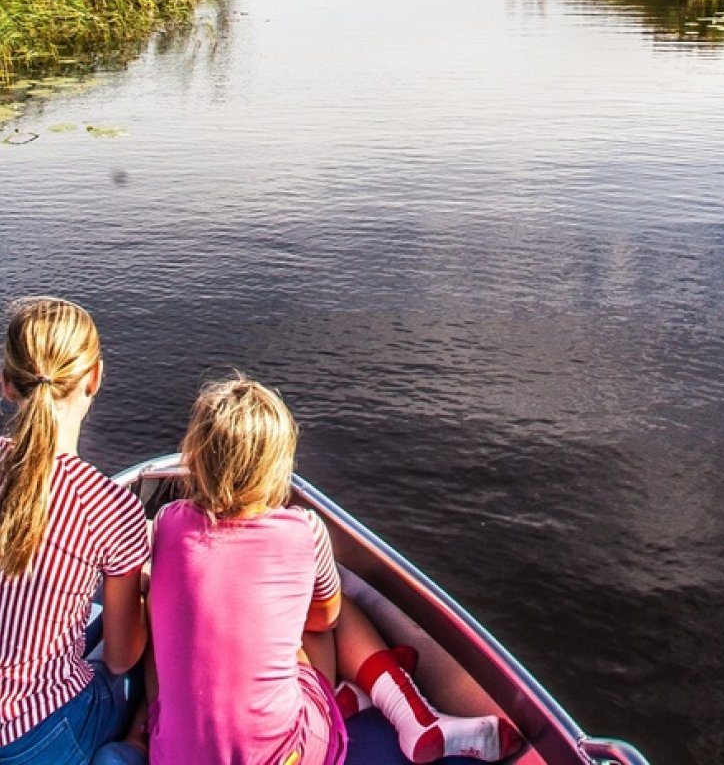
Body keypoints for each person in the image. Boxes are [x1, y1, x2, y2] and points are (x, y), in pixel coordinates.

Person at [136, 376, 522, 765]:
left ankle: (359, 698)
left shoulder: (168, 523)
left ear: (197, 457)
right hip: (291, 756)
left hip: (174, 757)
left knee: (160, 609)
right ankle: (409, 717)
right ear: (278, 464)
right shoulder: (304, 530)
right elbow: (325, 621)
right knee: (339, 610)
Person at [0, 296, 149, 763]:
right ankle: (137, 748)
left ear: (6, 384)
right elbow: (122, 656)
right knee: (145, 661)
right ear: (95, 378)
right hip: (34, 736)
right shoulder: (110, 507)